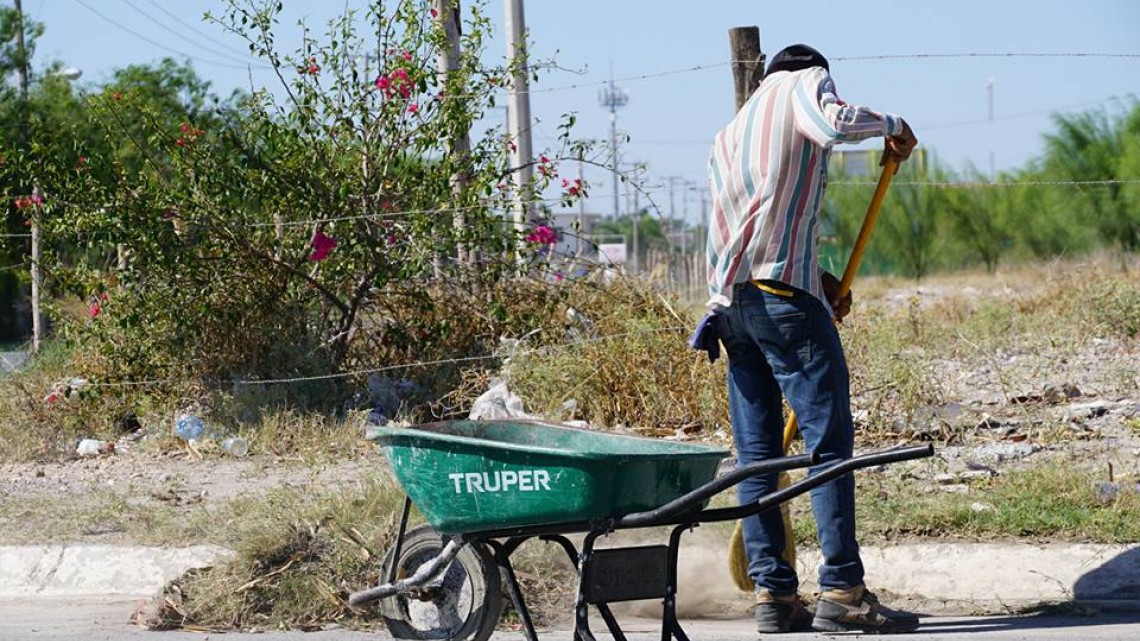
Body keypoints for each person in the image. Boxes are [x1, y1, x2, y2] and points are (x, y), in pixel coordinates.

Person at [697, 44, 919, 634]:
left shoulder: (729, 133)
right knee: (827, 446)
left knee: (758, 459)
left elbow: (755, 227)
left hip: (733, 305)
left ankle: (774, 596)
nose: (827, 93)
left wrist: (816, 283)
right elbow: (834, 121)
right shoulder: (802, 85)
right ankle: (843, 590)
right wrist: (894, 128)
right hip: (782, 301)